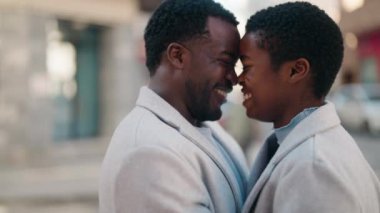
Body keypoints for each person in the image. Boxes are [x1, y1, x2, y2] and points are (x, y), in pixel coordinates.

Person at [99, 0, 249, 212]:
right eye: (225, 62)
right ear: (177, 56)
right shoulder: (147, 152)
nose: (234, 79)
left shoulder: (205, 126)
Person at [238, 2, 380, 213]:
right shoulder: (308, 151)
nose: (237, 79)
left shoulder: (314, 169)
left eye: (247, 67)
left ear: (296, 71)